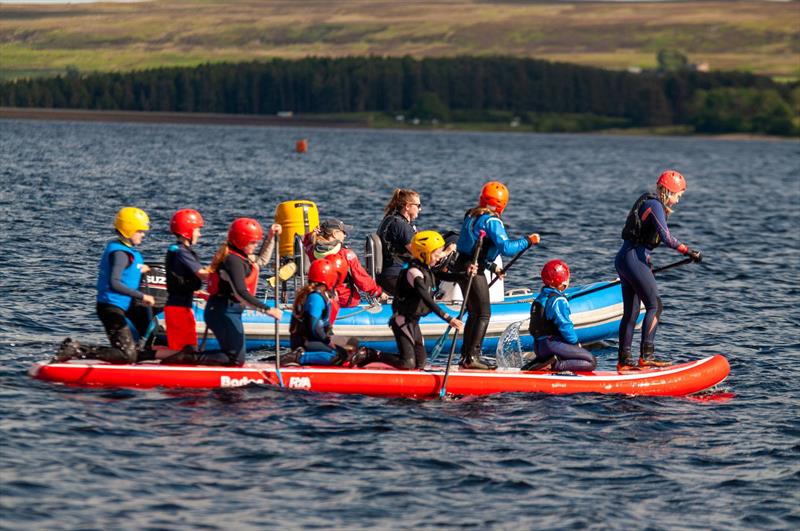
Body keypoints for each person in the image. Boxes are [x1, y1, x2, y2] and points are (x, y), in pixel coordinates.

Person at [615, 170, 702, 370]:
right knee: (655, 306)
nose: (678, 201)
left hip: (625, 258)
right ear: (668, 191)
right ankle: (646, 356)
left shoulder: (650, 203)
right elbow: (667, 237)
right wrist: (689, 252)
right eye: (678, 195)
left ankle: (624, 361)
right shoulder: (655, 205)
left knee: (632, 312)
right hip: (634, 259)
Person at [453, 181, 540, 370]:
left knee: (474, 313)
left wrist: (493, 268)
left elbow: (474, 248)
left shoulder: (472, 215)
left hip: (463, 266)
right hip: (473, 270)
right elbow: (507, 248)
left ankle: (466, 357)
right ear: (503, 204)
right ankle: (472, 357)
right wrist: (528, 241)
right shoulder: (492, 221)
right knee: (483, 313)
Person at [55, 207, 156, 364]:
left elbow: (126, 270)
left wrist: (140, 269)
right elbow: (114, 283)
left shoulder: (123, 249)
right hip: (110, 308)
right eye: (140, 231)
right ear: (129, 229)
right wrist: (142, 296)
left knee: (131, 348)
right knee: (126, 355)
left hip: (120, 307)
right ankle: (76, 349)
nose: (143, 235)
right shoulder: (121, 254)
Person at [355, 231, 464, 370]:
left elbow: (444, 275)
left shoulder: (426, 268)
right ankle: (370, 354)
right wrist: (449, 319)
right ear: (424, 253)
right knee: (408, 363)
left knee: (420, 363)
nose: (438, 258)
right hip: (402, 320)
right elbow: (427, 299)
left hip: (413, 322)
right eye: (436, 254)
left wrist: (464, 275)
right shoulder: (414, 272)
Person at [187, 218, 282, 366]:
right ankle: (188, 359)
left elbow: (261, 260)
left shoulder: (241, 257)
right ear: (241, 240)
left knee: (235, 357)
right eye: (252, 242)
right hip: (222, 312)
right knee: (235, 359)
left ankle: (198, 361)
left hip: (230, 312)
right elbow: (240, 292)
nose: (256, 245)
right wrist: (268, 310)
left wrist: (270, 237)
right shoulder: (233, 261)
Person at [522, 260, 597, 372]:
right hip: (551, 345)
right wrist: (575, 344)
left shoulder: (540, 298)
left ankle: (543, 362)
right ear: (562, 282)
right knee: (591, 361)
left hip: (539, 347)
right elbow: (565, 326)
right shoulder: (558, 300)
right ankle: (554, 365)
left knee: (569, 352)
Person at [284, 258, 360, 366]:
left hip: (314, 339)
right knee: (339, 356)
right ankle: (299, 357)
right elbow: (314, 327)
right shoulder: (316, 298)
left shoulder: (317, 293)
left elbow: (323, 327)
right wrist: (329, 342)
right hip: (306, 342)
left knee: (352, 343)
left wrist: (330, 337)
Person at [304, 218, 388, 313]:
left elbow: (306, 241)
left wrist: (311, 234)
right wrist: (378, 292)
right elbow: (361, 279)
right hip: (345, 301)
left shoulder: (312, 251)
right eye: (343, 232)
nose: (345, 235)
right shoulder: (346, 254)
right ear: (335, 234)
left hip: (321, 299)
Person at [161, 209, 209, 358]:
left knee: (190, 350)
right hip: (178, 310)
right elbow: (202, 275)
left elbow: (179, 280)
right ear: (187, 231)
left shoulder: (179, 251)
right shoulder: (182, 252)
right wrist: (224, 271)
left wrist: (199, 293)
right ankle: (143, 357)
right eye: (197, 230)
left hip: (183, 308)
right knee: (180, 351)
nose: (199, 234)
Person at [375, 188, 420, 294]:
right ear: (407, 206)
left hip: (385, 275)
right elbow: (419, 254)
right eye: (418, 206)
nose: (420, 209)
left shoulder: (390, 219)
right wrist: (442, 254)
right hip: (394, 276)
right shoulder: (401, 225)